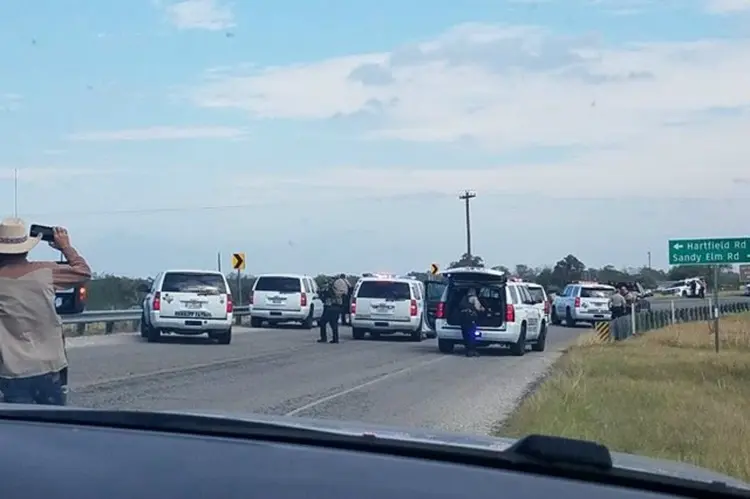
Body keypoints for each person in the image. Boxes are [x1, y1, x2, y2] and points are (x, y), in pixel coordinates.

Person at [0, 219, 92, 405]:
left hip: (13, 370)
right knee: (53, 426)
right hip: (50, 366)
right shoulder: (46, 271)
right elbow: (84, 272)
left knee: (18, 429)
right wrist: (66, 247)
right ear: (26, 247)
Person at [318, 276, 346, 344]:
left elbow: (325, 296)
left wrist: (322, 294)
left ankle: (324, 338)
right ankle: (335, 339)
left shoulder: (331, 288)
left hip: (330, 307)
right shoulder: (341, 287)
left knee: (323, 322)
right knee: (334, 324)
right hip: (338, 307)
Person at [458, 287, 484, 357]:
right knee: (472, 334)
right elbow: (478, 308)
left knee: (465, 334)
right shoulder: (474, 298)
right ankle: (472, 350)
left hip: (462, 318)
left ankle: (468, 350)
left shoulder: (463, 298)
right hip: (470, 318)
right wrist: (483, 309)